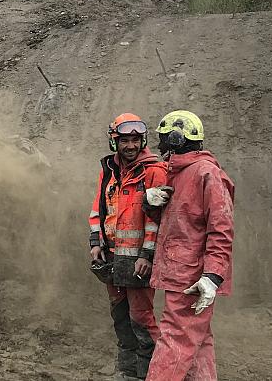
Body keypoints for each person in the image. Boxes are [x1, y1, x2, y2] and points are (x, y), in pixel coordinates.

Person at [145, 110, 235, 381]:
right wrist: (151, 205)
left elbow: (221, 228)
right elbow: (180, 224)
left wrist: (212, 276)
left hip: (192, 278)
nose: (160, 147)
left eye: (163, 140)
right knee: (199, 341)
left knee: (174, 342)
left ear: (175, 139)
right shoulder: (179, 173)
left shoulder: (207, 174)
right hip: (181, 275)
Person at [89, 113, 166, 380]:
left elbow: (156, 219)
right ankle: (127, 372)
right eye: (124, 140)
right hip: (112, 260)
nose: (130, 146)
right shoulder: (108, 170)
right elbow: (98, 208)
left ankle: (151, 374)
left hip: (138, 263)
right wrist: (95, 242)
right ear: (114, 142)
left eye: (135, 140)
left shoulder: (154, 171)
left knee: (142, 321)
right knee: (121, 319)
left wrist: (147, 254)